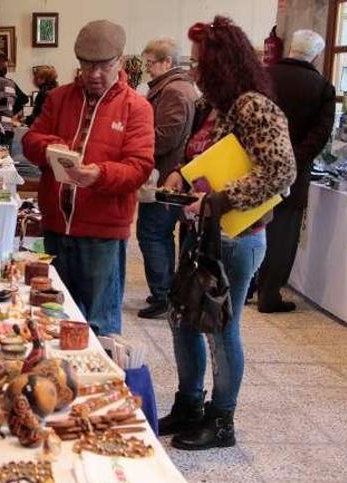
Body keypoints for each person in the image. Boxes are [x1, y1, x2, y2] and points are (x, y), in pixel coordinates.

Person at [159, 16, 296, 450]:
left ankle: (222, 422)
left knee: (219, 328)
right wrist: (181, 176)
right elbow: (207, 157)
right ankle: (190, 404)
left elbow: (281, 170)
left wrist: (218, 200)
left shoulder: (254, 106)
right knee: (184, 319)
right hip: (203, 233)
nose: (195, 73)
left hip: (237, 237)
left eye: (201, 64)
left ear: (224, 65)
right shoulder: (217, 106)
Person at [23, 19, 155, 335]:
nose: (94, 74)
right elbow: (30, 140)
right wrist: (51, 147)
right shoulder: (59, 98)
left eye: (103, 66)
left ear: (120, 62)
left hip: (103, 234)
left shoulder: (136, 107)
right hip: (56, 228)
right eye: (86, 65)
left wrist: (98, 174)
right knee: (54, 320)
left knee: (99, 326)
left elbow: (139, 166)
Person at [257, 30, 336, 313]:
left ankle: (245, 286)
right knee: (283, 233)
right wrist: (292, 161)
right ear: (316, 55)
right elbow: (319, 135)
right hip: (295, 172)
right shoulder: (322, 87)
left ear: (291, 48)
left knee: (251, 224)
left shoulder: (265, 76)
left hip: (257, 165)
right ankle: (269, 293)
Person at [136, 37, 198, 319]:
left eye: (151, 63)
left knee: (153, 233)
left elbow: (166, 137)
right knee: (156, 233)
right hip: (168, 173)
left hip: (166, 177)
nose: (148, 69)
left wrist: (136, 143)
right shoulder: (176, 88)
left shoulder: (174, 92)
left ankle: (163, 295)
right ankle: (163, 292)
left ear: (167, 62)